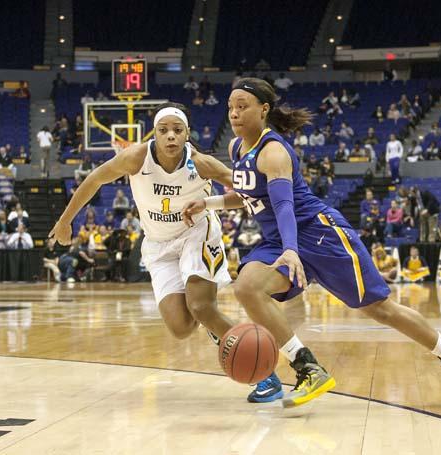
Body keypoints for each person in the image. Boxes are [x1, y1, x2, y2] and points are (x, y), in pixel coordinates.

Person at [182, 78, 441, 410]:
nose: (234, 114)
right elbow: (247, 196)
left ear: (264, 110)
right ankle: (307, 367)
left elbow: (284, 206)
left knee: (380, 310)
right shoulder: (236, 149)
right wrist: (209, 204)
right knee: (247, 287)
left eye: (243, 106)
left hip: (319, 234)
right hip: (278, 240)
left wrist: (291, 249)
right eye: (230, 107)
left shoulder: (273, 151)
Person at [49, 102, 281, 401]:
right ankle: (217, 324)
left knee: (200, 307)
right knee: (181, 327)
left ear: (187, 134)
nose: (170, 136)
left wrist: (211, 204)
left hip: (196, 233)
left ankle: (264, 372)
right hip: (158, 245)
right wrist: (65, 221)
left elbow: (245, 193)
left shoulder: (201, 163)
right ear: (154, 135)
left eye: (177, 130)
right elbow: (94, 180)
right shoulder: (135, 157)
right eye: (163, 130)